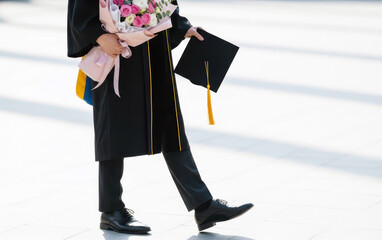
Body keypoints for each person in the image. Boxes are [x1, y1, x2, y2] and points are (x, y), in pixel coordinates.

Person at [67, 0, 253, 234]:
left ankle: (203, 205)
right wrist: (97, 35)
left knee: (170, 124)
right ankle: (111, 209)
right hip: (116, 48)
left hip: (155, 49)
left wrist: (182, 26)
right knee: (113, 126)